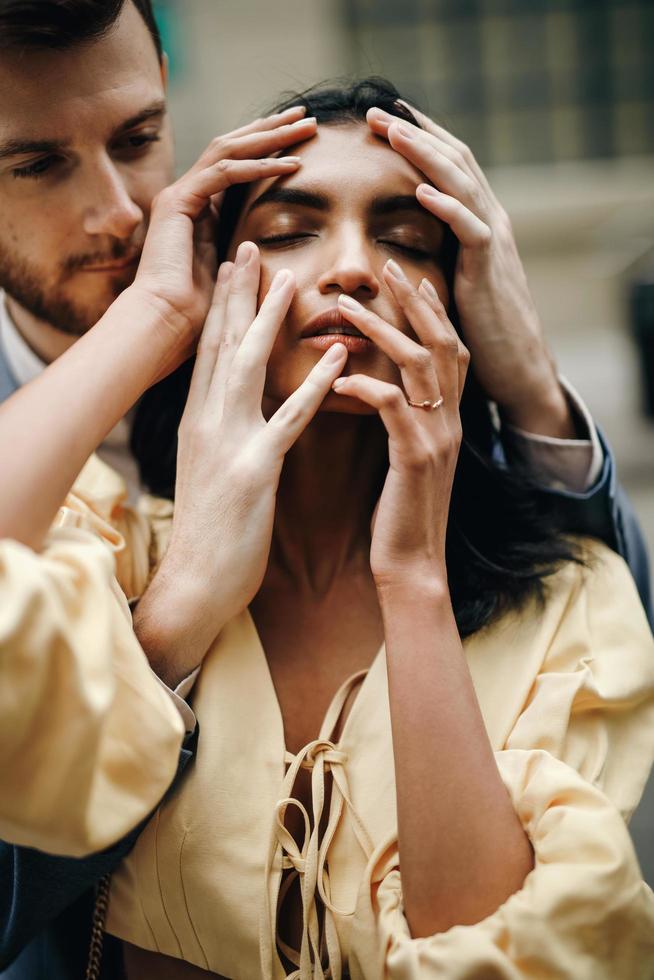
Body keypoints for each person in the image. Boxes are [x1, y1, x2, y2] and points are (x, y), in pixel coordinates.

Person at [3, 77, 654, 978]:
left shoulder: (573, 601)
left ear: (463, 299)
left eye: (405, 239)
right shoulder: (111, 554)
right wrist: (183, 592)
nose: (350, 267)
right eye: (286, 231)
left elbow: (499, 952)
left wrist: (415, 579)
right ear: (209, 280)